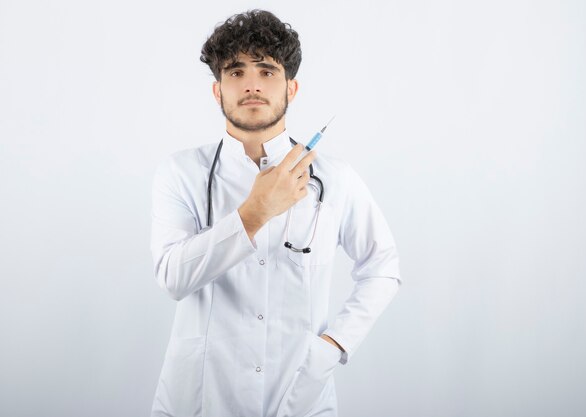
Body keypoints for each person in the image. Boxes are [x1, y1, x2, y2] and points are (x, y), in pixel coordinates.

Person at [150, 9, 402, 417]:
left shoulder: (334, 178)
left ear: (292, 87)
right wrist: (255, 211)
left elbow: (383, 266)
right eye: (235, 72)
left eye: (267, 71)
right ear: (217, 90)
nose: (251, 84)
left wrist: (334, 345)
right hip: (200, 396)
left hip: (299, 393)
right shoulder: (181, 172)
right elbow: (173, 278)